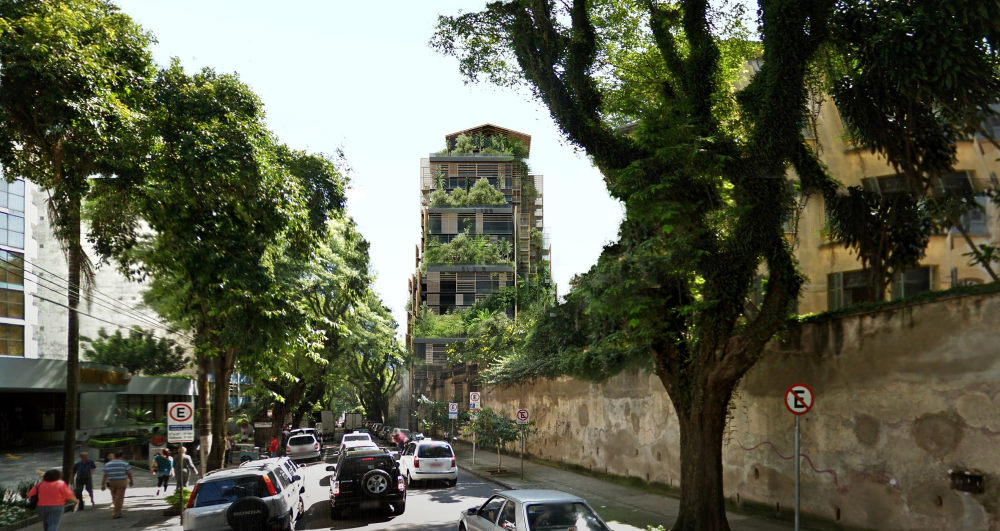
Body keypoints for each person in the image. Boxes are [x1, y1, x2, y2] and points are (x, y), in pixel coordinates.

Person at [100, 452, 133, 519]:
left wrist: (103, 484)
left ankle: (118, 511)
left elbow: (105, 475)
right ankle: (116, 513)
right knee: (119, 498)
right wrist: (131, 481)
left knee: (115, 497)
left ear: (114, 456)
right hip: (121, 481)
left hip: (112, 482)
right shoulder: (124, 463)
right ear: (121, 456)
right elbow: (128, 473)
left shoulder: (108, 464)